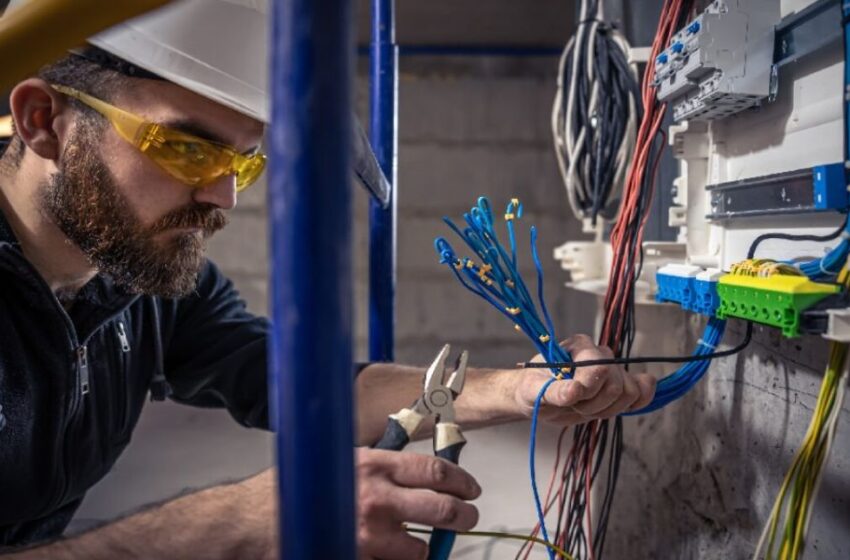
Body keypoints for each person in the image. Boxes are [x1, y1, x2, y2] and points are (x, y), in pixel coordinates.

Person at [0, 1, 657, 559]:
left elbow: (304, 387)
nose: (224, 196)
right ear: (41, 121)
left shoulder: (140, 282)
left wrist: (519, 389)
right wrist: (237, 521)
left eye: (243, 162)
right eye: (188, 149)